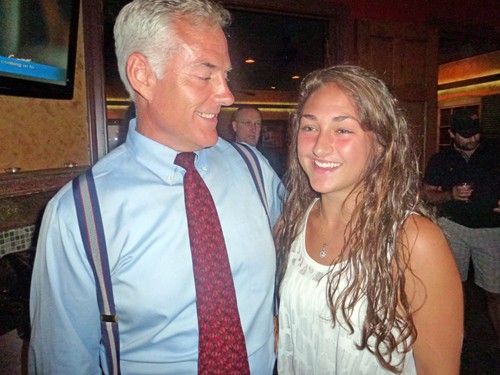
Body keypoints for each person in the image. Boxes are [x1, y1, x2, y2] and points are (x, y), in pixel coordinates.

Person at [28, 1, 282, 374]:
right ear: (143, 74)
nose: (227, 94)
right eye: (205, 74)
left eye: (225, 75)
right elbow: (62, 362)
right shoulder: (80, 213)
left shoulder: (254, 169)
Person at [275, 65, 463, 374]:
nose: (320, 146)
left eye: (343, 130)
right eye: (309, 127)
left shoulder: (414, 242)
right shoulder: (292, 223)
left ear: (380, 143)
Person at [422, 109, 500, 346]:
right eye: (465, 135)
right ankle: (454, 336)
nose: (472, 139)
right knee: (453, 286)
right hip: (453, 227)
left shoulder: (495, 153)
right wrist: (450, 194)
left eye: (475, 133)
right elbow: (427, 194)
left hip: (491, 229)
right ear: (453, 133)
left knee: (494, 292)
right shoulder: (440, 159)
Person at [232, 105, 286, 177]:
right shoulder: (223, 156)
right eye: (248, 123)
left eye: (258, 124)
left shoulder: (271, 159)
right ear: (235, 126)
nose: (254, 129)